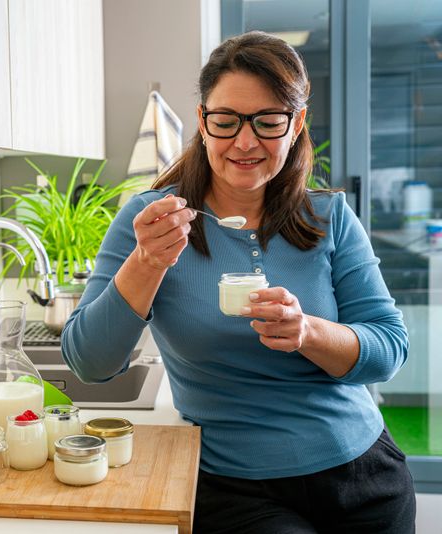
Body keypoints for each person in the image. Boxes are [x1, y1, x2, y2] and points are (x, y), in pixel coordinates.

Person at [61, 31, 415, 533]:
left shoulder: (329, 216)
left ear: (295, 126)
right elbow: (89, 363)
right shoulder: (149, 220)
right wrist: (146, 262)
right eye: (225, 121)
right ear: (203, 122)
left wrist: (306, 332)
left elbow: (389, 350)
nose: (244, 142)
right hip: (237, 492)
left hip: (364, 474)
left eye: (268, 122)